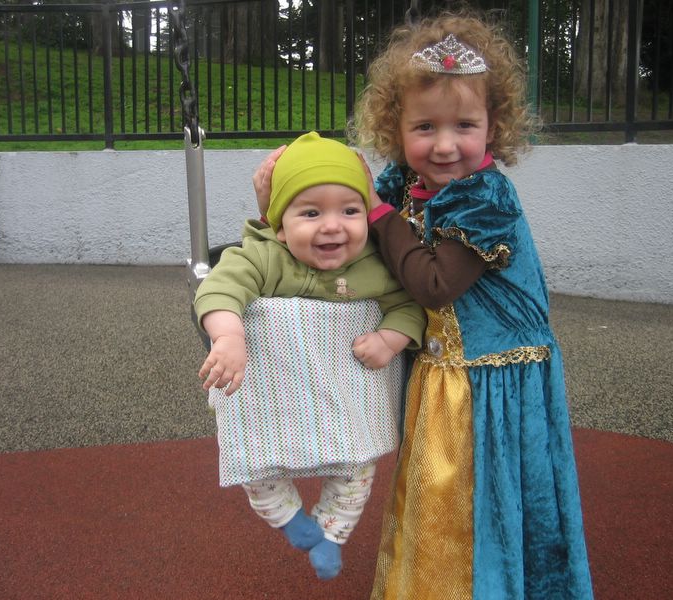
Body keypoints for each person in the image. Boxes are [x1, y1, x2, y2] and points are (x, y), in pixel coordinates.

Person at [253, 10, 594, 600]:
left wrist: (377, 212)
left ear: (493, 126)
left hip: (493, 381)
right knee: (436, 505)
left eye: (465, 125)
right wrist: (275, 204)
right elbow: (345, 240)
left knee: (486, 504)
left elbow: (433, 284)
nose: (444, 145)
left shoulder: (487, 197)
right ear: (396, 128)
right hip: (440, 374)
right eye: (425, 126)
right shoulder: (401, 185)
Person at [194, 131, 426, 581]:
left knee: (358, 470)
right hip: (275, 401)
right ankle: (289, 519)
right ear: (280, 225)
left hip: (343, 400)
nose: (333, 225)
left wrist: (389, 339)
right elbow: (219, 289)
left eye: (350, 210)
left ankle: (332, 532)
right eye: (311, 213)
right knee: (253, 465)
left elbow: (409, 306)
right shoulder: (264, 256)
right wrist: (229, 335)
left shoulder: (375, 265)